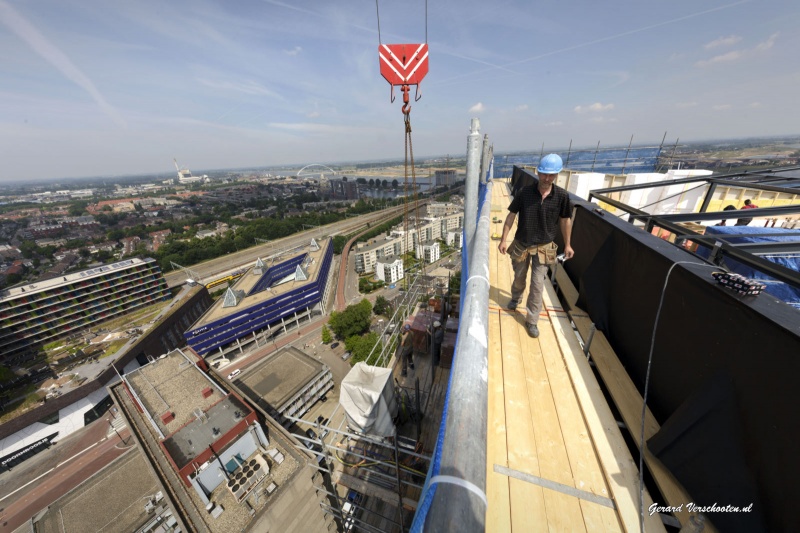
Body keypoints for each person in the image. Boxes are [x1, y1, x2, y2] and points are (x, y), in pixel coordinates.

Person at [498, 153, 574, 338]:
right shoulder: (525, 193)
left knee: (538, 284)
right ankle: (516, 297)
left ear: (556, 175)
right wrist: (503, 239)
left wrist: (568, 245)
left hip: (544, 246)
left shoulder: (562, 196)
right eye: (544, 174)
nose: (547, 179)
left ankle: (532, 321)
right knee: (519, 277)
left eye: (551, 175)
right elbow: (511, 215)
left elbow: (565, 220)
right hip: (522, 243)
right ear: (538, 173)